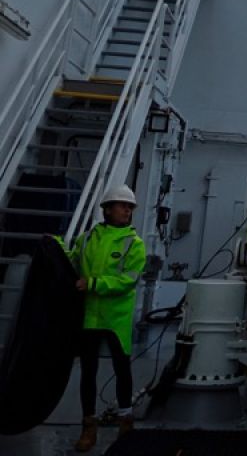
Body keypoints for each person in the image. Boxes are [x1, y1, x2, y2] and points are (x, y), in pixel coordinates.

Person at [66, 184, 146, 452]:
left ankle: (126, 422)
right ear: (107, 209)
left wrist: (93, 284)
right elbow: (72, 261)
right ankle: (88, 425)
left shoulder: (134, 244)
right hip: (90, 316)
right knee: (88, 371)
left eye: (130, 207)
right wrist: (53, 245)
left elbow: (127, 281)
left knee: (122, 369)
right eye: (123, 205)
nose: (127, 210)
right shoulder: (87, 239)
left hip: (116, 318)